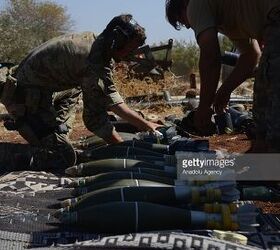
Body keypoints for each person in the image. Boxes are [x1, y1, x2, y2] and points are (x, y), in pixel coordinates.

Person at [0, 14, 161, 169]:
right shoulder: (92, 60)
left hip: (42, 89)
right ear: (116, 42)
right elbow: (96, 117)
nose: (130, 54)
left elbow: (108, 95)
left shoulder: (96, 42)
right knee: (61, 156)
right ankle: (19, 137)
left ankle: (50, 130)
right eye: (129, 48)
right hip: (23, 98)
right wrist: (124, 146)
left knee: (78, 90)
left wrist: (145, 125)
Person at [165, 0, 280, 152]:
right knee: (263, 106)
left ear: (184, 6)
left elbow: (210, 56)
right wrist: (224, 91)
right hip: (272, 24)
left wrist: (204, 107)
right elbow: (250, 56)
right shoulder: (230, 15)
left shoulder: (195, 4)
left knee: (274, 113)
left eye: (181, 20)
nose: (187, 25)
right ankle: (263, 159)